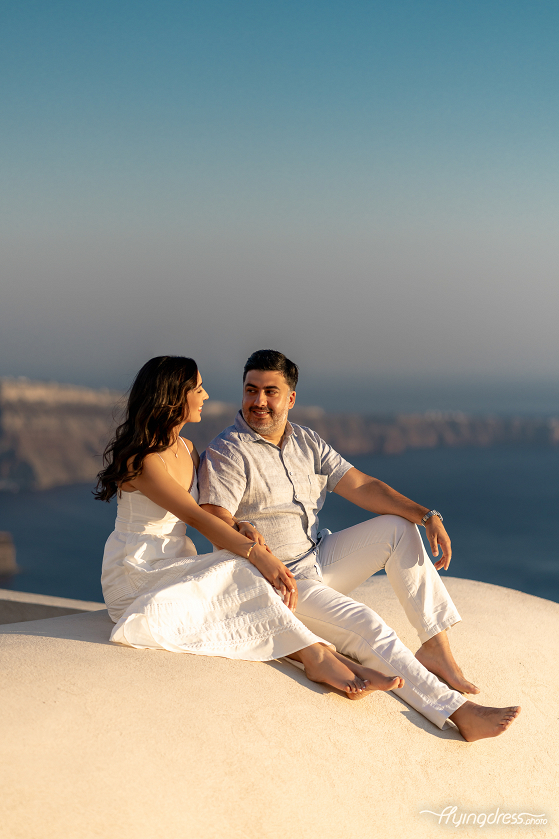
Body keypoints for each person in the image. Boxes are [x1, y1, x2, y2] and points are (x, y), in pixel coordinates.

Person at [198, 349, 521, 742]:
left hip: (317, 557)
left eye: (270, 392)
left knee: (399, 529)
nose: (258, 402)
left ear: (291, 398)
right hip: (277, 583)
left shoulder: (305, 441)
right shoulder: (228, 450)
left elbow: (363, 486)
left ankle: (436, 649)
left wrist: (426, 514)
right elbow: (213, 518)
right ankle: (458, 711)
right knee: (367, 625)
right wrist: (241, 529)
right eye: (251, 390)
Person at [96, 355, 407, 698]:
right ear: (174, 397)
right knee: (244, 570)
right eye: (198, 388)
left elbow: (213, 514)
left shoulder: (187, 448)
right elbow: (196, 518)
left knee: (244, 583)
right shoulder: (142, 460)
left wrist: (240, 524)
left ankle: (324, 657)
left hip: (174, 562)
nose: (205, 396)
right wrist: (260, 555)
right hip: (136, 571)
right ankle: (317, 656)